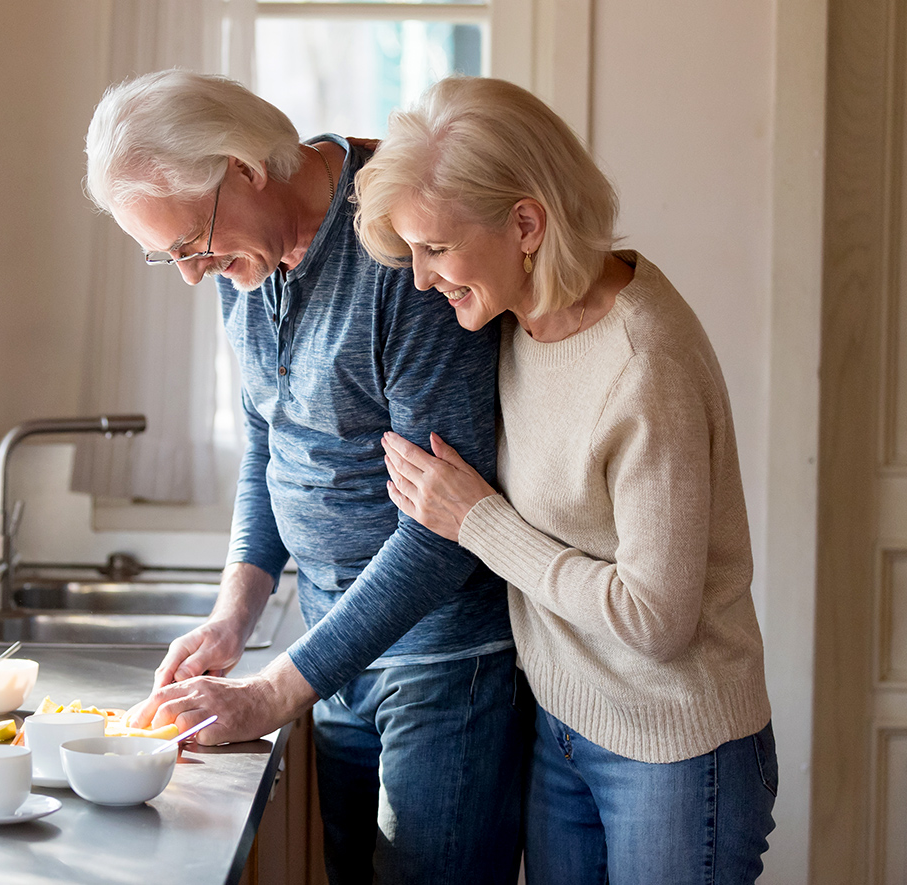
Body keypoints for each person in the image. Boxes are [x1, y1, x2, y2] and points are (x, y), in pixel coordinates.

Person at [84, 69, 530, 884]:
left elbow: (444, 531)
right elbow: (268, 434)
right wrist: (234, 615)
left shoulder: (403, 248)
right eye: (167, 257)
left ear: (244, 169)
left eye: (190, 244)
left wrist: (272, 691)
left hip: (440, 667)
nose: (191, 273)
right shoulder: (244, 265)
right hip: (333, 654)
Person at [353, 75, 778, 884]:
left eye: (436, 249)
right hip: (563, 725)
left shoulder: (643, 364)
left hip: (675, 751)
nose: (419, 279)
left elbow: (656, 618)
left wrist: (475, 521)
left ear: (525, 222)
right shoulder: (518, 316)